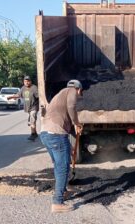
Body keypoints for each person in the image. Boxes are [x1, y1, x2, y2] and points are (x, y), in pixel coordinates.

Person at [40, 79, 83, 213]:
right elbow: (71, 107)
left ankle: (63, 191)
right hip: (56, 135)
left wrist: (68, 145)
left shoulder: (59, 95)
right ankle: (57, 203)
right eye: (81, 92)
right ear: (79, 89)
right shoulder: (71, 91)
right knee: (63, 168)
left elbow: (61, 117)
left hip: (45, 134)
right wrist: (77, 123)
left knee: (58, 165)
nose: (80, 95)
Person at [7, 75, 39, 141]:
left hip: (34, 107)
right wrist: (11, 97)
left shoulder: (34, 88)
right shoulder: (23, 88)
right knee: (31, 121)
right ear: (24, 82)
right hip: (27, 108)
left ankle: (33, 134)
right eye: (25, 81)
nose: (27, 82)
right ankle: (35, 133)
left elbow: (39, 96)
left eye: (28, 81)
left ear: (30, 81)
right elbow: (18, 95)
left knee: (32, 121)